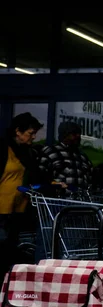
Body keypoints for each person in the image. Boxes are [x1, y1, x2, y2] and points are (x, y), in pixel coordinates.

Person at [0, 112, 45, 281]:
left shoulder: (28, 153)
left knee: (10, 248)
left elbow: (36, 175)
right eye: (30, 133)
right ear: (18, 131)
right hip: (2, 208)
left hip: (17, 208)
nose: (33, 137)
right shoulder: (4, 148)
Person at [39, 121, 94, 190]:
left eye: (79, 133)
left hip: (80, 198)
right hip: (57, 198)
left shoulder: (82, 156)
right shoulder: (51, 151)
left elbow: (91, 178)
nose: (78, 136)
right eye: (74, 133)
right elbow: (40, 176)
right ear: (64, 135)